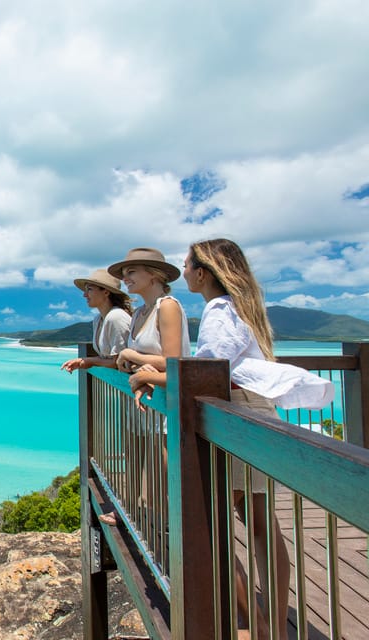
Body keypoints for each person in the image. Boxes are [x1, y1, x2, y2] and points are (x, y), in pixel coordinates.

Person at [184, 238, 333, 640]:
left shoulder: (219, 310)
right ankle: (275, 628)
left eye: (187, 266)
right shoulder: (243, 307)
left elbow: (210, 369)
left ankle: (257, 625)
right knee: (262, 526)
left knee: (209, 524)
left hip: (235, 415)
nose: (183, 273)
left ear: (203, 272)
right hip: (257, 410)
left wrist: (149, 375)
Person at [101, 248, 191, 527]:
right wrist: (135, 365)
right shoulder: (140, 313)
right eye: (124, 273)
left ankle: (172, 544)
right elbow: (133, 361)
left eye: (131, 272)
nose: (125, 278)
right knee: (147, 483)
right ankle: (153, 534)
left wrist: (133, 357)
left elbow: (175, 362)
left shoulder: (167, 306)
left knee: (157, 489)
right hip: (145, 404)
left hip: (165, 407)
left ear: (154, 274)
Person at [61, 269, 132, 373]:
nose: (85, 295)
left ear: (106, 292)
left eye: (89, 289)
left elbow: (119, 361)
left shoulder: (116, 317)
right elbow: (108, 358)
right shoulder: (98, 319)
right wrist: (85, 361)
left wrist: (89, 361)